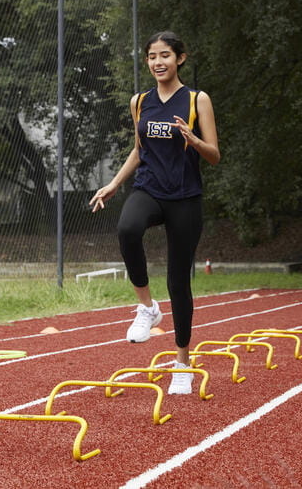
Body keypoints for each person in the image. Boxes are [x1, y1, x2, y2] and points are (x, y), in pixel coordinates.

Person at [89, 31, 220, 394]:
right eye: (151, 56)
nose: (157, 62)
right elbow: (138, 148)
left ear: (180, 58)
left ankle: (182, 362)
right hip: (148, 188)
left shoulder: (197, 99)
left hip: (184, 197)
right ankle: (146, 307)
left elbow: (214, 154)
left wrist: (194, 141)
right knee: (128, 229)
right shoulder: (139, 102)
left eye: (164, 55)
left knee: (179, 282)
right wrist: (115, 183)